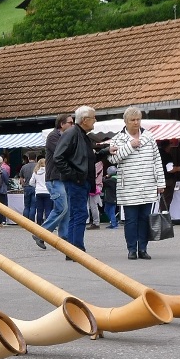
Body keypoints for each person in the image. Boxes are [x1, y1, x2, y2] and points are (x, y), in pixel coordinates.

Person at [107, 106, 165, 260]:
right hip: (129, 188)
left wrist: (161, 183)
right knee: (131, 220)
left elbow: (157, 160)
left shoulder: (149, 137)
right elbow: (112, 160)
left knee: (145, 219)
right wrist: (129, 146)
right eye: (132, 120)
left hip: (148, 184)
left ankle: (143, 249)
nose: (136, 122)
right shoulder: (118, 139)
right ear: (126, 121)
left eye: (138, 119)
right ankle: (132, 249)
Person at [53, 105, 100, 255]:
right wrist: (73, 176)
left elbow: (87, 158)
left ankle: (73, 250)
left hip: (80, 180)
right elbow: (58, 157)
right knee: (79, 214)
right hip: (76, 181)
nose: (95, 120)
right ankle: (77, 249)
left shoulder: (81, 135)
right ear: (85, 120)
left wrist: (105, 151)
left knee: (76, 214)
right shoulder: (73, 133)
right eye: (93, 117)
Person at [36, 113, 75, 249]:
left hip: (63, 178)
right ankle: (40, 234)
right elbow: (63, 152)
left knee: (66, 210)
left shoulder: (65, 136)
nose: (72, 125)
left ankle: (64, 239)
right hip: (54, 178)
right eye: (70, 122)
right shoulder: (53, 136)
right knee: (61, 208)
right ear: (61, 124)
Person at [31, 158, 51, 224]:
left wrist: (36, 186)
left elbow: (31, 182)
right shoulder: (48, 171)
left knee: (39, 210)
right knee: (48, 209)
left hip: (38, 192)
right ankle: (48, 225)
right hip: (47, 191)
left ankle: (39, 224)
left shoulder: (36, 172)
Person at [18, 154, 37, 223]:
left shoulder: (24, 167)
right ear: (35, 158)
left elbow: (21, 178)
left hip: (26, 187)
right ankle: (31, 222)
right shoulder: (37, 166)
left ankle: (25, 221)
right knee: (33, 206)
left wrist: (23, 185)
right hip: (35, 187)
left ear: (28, 158)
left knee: (26, 206)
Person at [87, 159, 104, 229]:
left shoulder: (98, 164)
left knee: (93, 206)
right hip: (95, 186)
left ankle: (96, 223)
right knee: (93, 206)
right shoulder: (99, 164)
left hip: (95, 186)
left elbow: (93, 174)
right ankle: (95, 222)